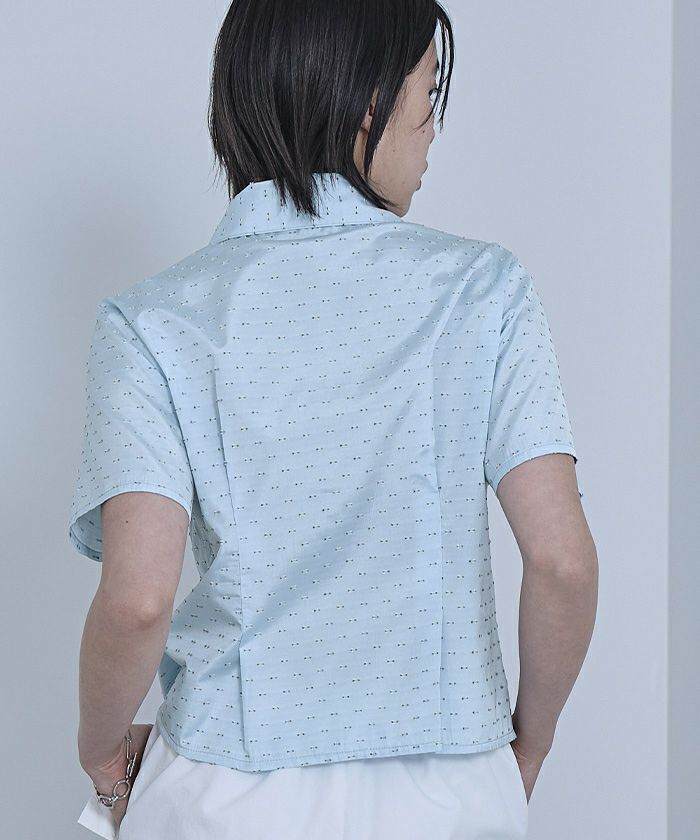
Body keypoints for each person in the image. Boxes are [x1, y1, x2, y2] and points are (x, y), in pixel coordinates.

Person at [69, 2, 598, 838]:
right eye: (429, 93)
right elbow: (562, 562)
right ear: (368, 100)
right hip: (450, 788)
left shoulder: (154, 321)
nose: (433, 129)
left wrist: (102, 754)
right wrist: (526, 747)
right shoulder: (484, 290)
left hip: (227, 787)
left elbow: (138, 599)